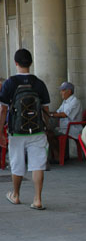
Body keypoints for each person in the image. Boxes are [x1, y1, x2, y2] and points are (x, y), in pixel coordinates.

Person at [0, 48, 51, 210]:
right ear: (31, 63)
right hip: (37, 130)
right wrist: (46, 127)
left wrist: (1, 131)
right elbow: (46, 110)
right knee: (37, 165)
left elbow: (3, 110)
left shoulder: (10, 83)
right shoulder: (39, 83)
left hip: (16, 130)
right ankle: (37, 199)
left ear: (16, 63)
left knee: (17, 164)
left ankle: (15, 195)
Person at [47, 82, 82, 162]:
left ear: (69, 91)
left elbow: (64, 115)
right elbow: (58, 112)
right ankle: (58, 155)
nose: (60, 93)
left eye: (62, 90)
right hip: (65, 127)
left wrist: (51, 115)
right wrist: (48, 113)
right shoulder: (65, 102)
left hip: (73, 128)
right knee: (48, 133)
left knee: (50, 134)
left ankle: (58, 156)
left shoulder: (75, 101)